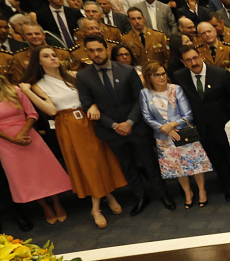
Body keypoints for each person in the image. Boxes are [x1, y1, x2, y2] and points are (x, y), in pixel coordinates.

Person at [19, 47, 126, 228]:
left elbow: (93, 95)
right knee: (86, 165)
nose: (53, 58)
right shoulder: (38, 85)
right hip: (68, 124)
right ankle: (96, 208)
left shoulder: (74, 75)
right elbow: (51, 110)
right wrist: (27, 91)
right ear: (39, 62)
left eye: (54, 55)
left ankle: (107, 194)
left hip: (88, 120)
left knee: (100, 159)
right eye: (46, 56)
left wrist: (93, 105)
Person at [76, 36, 172, 215]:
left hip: (135, 126)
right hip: (110, 131)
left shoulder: (127, 70)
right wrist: (114, 125)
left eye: (99, 50)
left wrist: (129, 122)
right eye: (91, 51)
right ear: (87, 52)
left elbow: (140, 99)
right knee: (127, 166)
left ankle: (163, 194)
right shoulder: (83, 76)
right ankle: (141, 196)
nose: (96, 54)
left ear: (106, 49)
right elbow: (87, 105)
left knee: (150, 162)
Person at [172, 45, 230, 201]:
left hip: (224, 125)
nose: (193, 62)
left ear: (200, 56)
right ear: (183, 62)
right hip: (200, 128)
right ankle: (227, 187)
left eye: (195, 58)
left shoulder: (220, 74)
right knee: (216, 159)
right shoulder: (179, 76)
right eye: (188, 60)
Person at [140, 62, 213, 209]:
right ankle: (188, 193)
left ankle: (202, 190)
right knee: (178, 168)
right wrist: (165, 129)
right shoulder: (145, 93)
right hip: (164, 137)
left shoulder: (175, 89)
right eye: (157, 75)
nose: (161, 77)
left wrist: (172, 125)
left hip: (184, 132)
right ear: (149, 77)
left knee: (195, 165)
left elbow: (187, 114)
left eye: (163, 74)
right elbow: (147, 117)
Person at [0, 74, 71, 223]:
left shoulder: (15, 91)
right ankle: (45, 207)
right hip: (6, 144)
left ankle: (57, 203)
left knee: (44, 171)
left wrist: (23, 133)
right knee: (25, 177)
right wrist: (13, 139)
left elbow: (32, 113)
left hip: (29, 137)